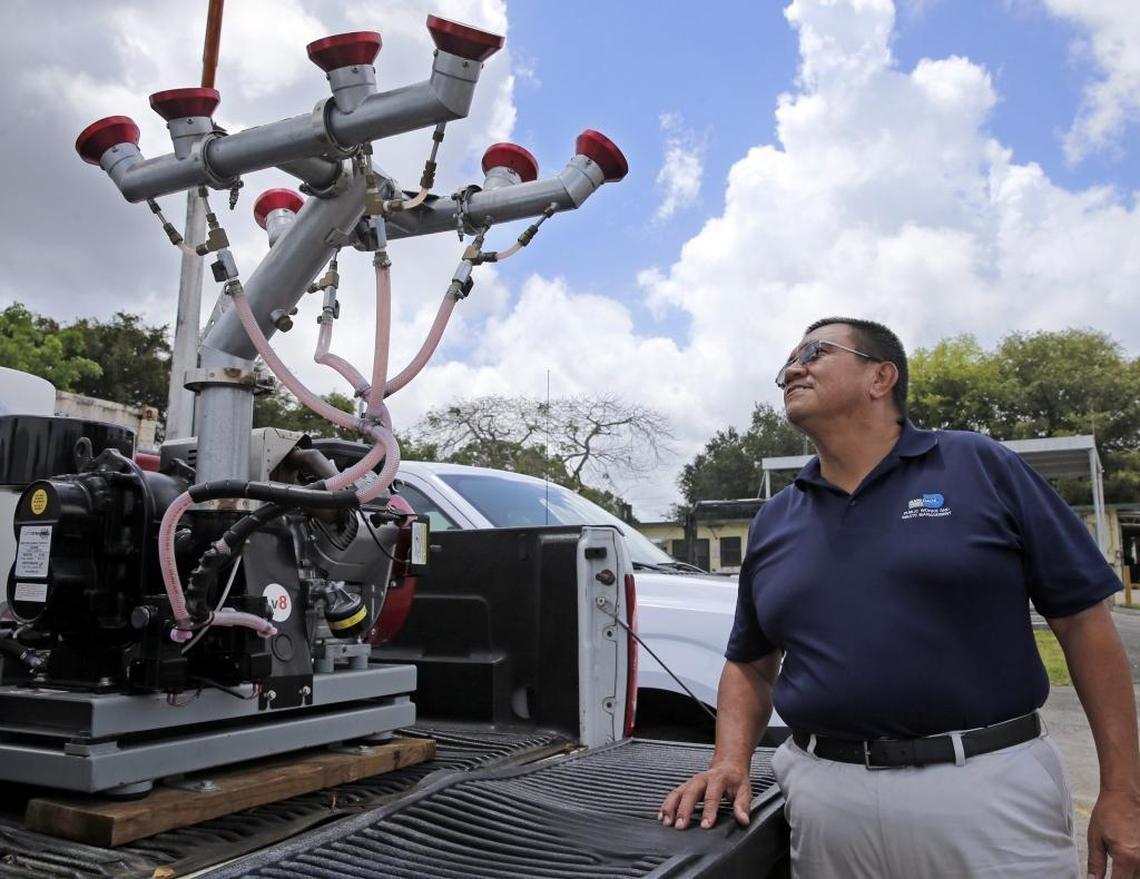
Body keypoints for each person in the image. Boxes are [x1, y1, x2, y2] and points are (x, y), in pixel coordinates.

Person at [659, 317, 1140, 878]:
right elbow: (749, 664)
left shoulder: (978, 465)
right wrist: (729, 760)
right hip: (826, 802)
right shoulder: (775, 519)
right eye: (786, 364)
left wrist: (1123, 792)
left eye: (814, 352)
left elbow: (1084, 625)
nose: (792, 369)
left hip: (988, 791)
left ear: (881, 377)